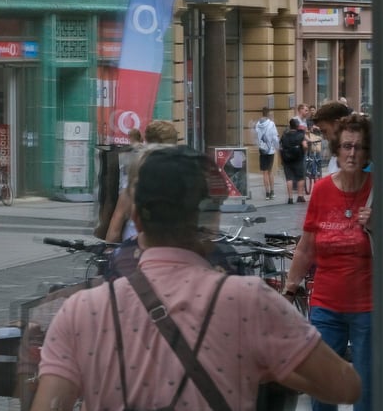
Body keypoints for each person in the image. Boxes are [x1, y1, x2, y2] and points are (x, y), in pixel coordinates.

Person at [32, 146, 362, 410]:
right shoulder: (248, 301)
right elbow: (346, 386)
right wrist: (272, 366)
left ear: (137, 218)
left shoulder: (81, 311)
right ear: (210, 220)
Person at [283, 114, 383, 411]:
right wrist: (289, 289)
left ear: (368, 153)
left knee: (366, 391)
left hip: (371, 309)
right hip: (325, 306)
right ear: (337, 150)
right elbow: (306, 247)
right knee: (321, 388)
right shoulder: (322, 190)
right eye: (347, 146)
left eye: (360, 147)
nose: (352, 153)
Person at [105, 120, 178, 243]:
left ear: (147, 142)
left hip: (134, 249)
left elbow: (114, 231)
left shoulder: (136, 177)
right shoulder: (182, 179)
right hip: (171, 249)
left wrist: (109, 250)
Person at [314, 101, 353, 176]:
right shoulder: (336, 156)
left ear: (337, 124)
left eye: (324, 131)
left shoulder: (357, 157)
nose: (324, 137)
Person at [280, 118, 309, 204]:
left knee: (289, 178)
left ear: (290, 126)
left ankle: (290, 198)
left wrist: (282, 159)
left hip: (287, 159)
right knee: (300, 177)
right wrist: (305, 150)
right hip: (298, 158)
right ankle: (300, 196)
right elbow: (305, 146)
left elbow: (280, 148)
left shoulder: (284, 135)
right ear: (297, 126)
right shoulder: (300, 135)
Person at [254, 107, 280, 200]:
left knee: (264, 172)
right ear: (268, 113)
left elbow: (256, 137)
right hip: (270, 150)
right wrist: (277, 147)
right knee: (270, 171)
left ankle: (267, 193)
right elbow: (275, 137)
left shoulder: (257, 124)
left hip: (262, 149)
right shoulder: (271, 124)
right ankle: (272, 192)